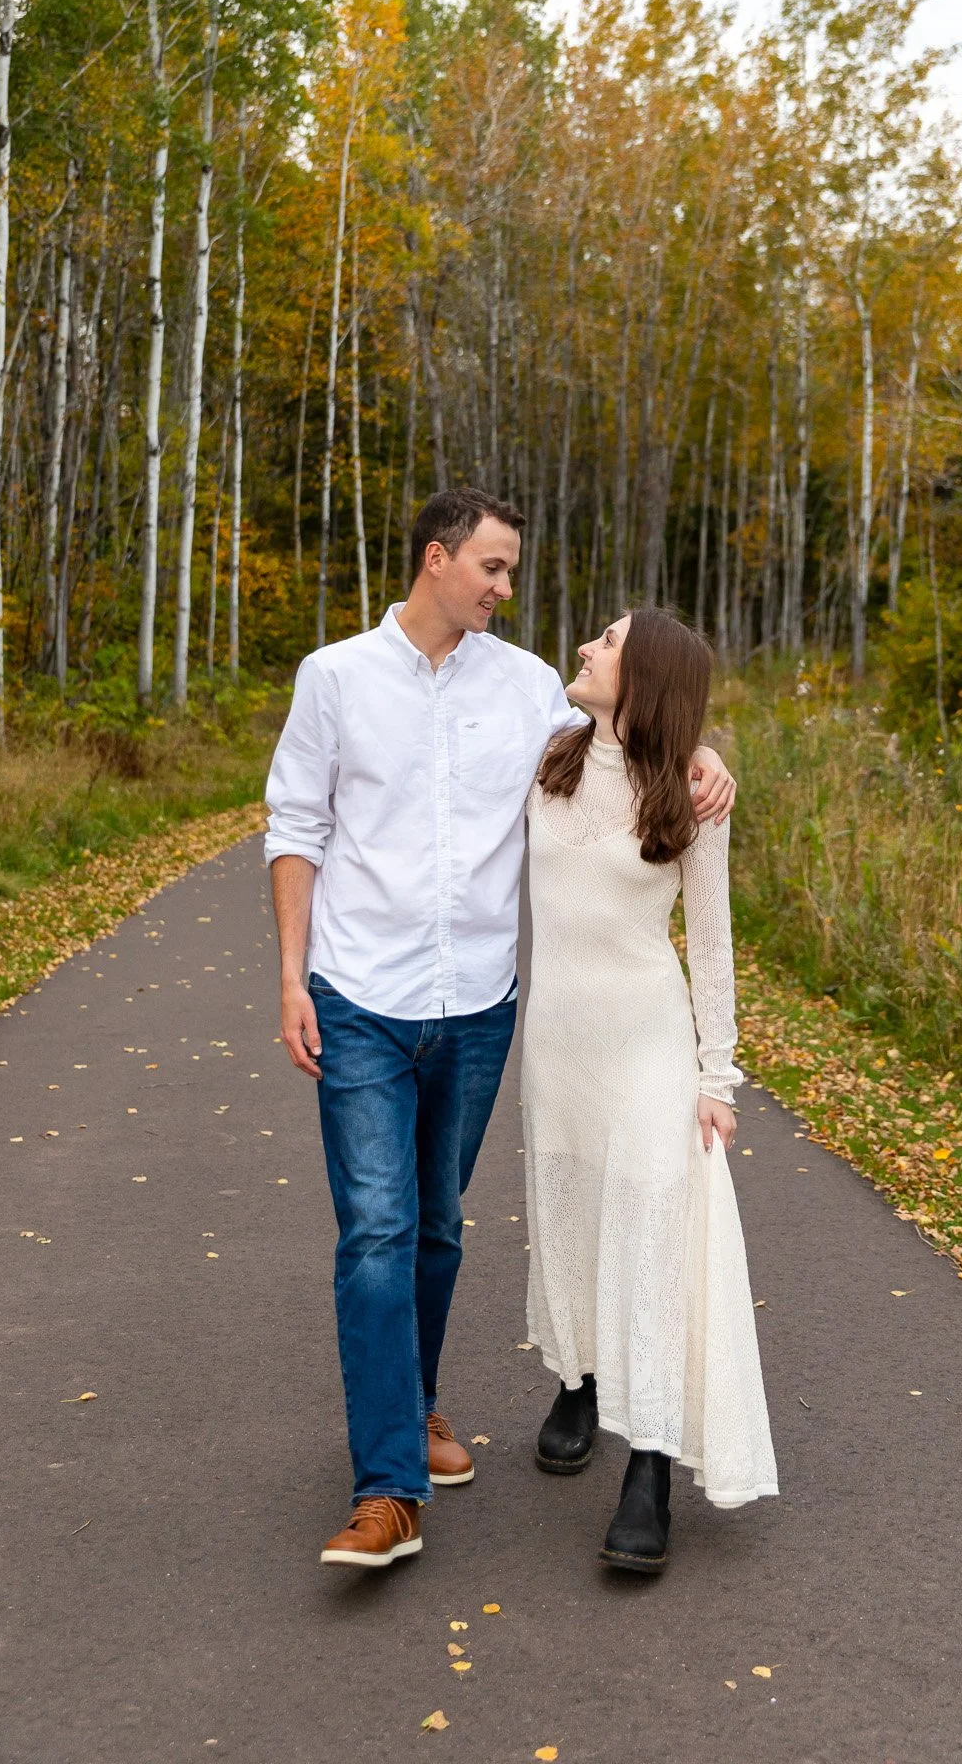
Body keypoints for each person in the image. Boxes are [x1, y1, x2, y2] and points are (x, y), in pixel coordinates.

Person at [263, 488, 737, 1569]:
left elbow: (637, 741)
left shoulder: (529, 690)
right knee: (378, 1228)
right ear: (437, 560)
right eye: (493, 566)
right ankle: (386, 1487)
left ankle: (417, 1403)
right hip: (359, 994)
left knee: (435, 1225)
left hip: (475, 1008)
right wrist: (291, 976)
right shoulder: (334, 677)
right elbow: (295, 824)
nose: (508, 588)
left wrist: (709, 751)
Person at [522, 607, 777, 1572]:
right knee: (573, 1212)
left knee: (652, 1240)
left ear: (647, 676)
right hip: (555, 1046)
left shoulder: (689, 795)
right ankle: (579, 1377)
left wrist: (718, 1075)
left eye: (607, 643)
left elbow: (709, 942)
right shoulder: (546, 757)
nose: (585, 647)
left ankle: (651, 1467)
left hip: (645, 1049)